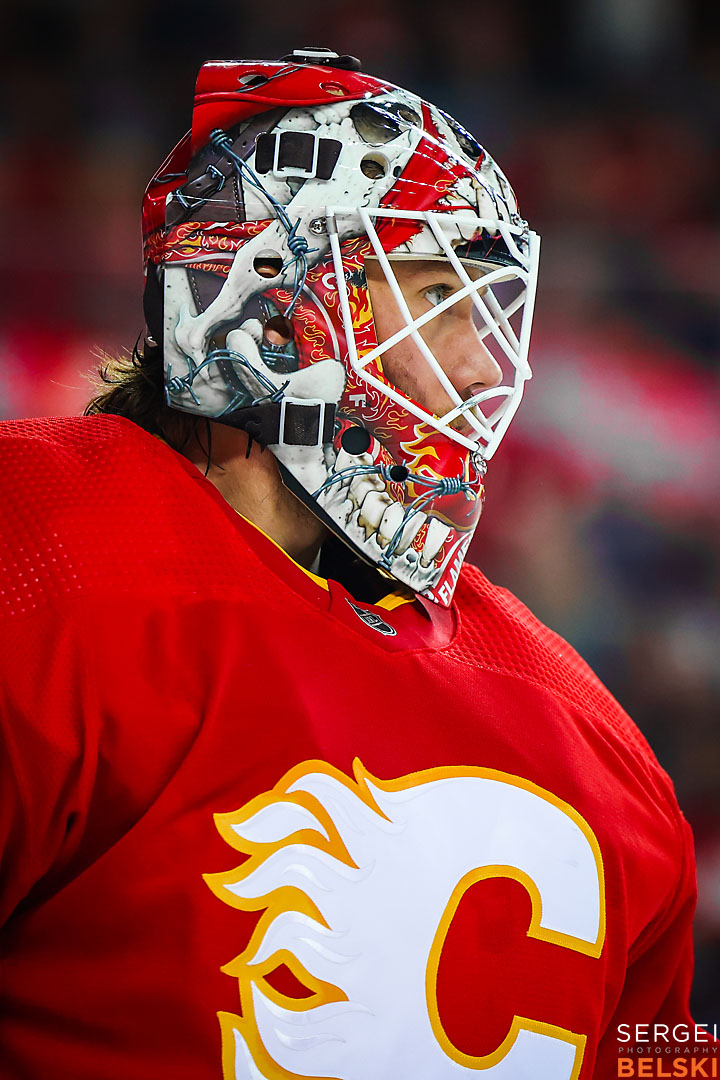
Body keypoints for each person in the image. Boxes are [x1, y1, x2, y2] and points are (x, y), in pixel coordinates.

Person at [0, 48, 704, 1080]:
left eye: (492, 312)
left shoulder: (600, 748)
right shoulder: (44, 551)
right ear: (264, 299)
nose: (480, 364)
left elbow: (663, 1060)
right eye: (439, 295)